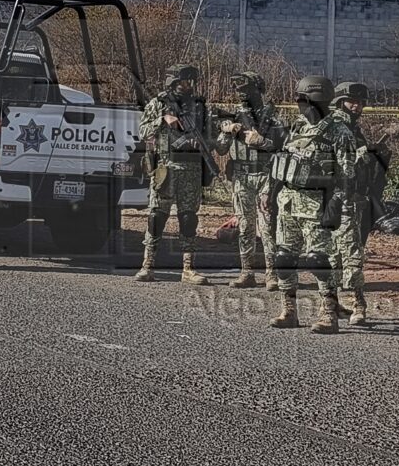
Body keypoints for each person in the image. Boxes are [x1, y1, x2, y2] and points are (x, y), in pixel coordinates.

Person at [268, 75, 357, 334]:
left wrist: (336, 203)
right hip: (288, 201)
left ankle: (328, 312)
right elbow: (286, 160)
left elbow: (347, 175)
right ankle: (289, 311)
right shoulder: (298, 126)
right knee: (283, 258)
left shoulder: (338, 132)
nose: (299, 104)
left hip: (317, 204)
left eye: (303, 100)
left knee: (318, 260)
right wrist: (271, 193)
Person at [135, 64, 212, 286]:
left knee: (188, 219)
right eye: (185, 82)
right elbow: (142, 131)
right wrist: (161, 120)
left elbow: (212, 135)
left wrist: (203, 142)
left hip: (191, 169)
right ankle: (147, 265)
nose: (189, 86)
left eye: (191, 82)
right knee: (157, 217)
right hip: (165, 168)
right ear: (174, 82)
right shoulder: (158, 104)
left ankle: (188, 268)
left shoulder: (199, 106)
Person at [215, 72, 286, 290]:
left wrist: (262, 142)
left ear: (257, 90)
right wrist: (227, 132)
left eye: (246, 90)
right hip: (241, 177)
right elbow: (220, 149)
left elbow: (284, 148)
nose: (242, 94)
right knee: (245, 226)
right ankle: (247, 272)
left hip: (265, 176)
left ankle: (272, 274)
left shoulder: (273, 118)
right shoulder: (234, 116)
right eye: (239, 91)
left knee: (267, 227)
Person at [329, 81, 382, 326]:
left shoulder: (353, 128)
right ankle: (348, 303)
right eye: (352, 101)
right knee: (339, 254)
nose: (357, 106)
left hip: (354, 198)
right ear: (340, 101)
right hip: (335, 198)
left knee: (350, 252)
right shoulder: (334, 127)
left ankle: (352, 303)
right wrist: (364, 154)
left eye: (360, 103)